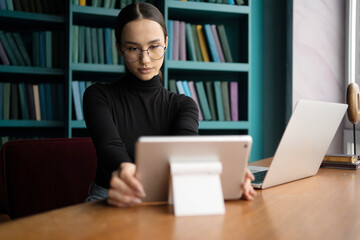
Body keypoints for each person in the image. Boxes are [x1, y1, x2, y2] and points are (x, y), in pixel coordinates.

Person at [83, 2, 256, 207]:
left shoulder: (184, 105)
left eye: (154, 47)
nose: (145, 59)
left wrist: (227, 176)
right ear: (119, 48)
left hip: (166, 198)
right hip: (111, 195)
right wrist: (126, 169)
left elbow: (186, 151)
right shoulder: (98, 95)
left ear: (166, 42)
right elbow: (109, 146)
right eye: (132, 48)